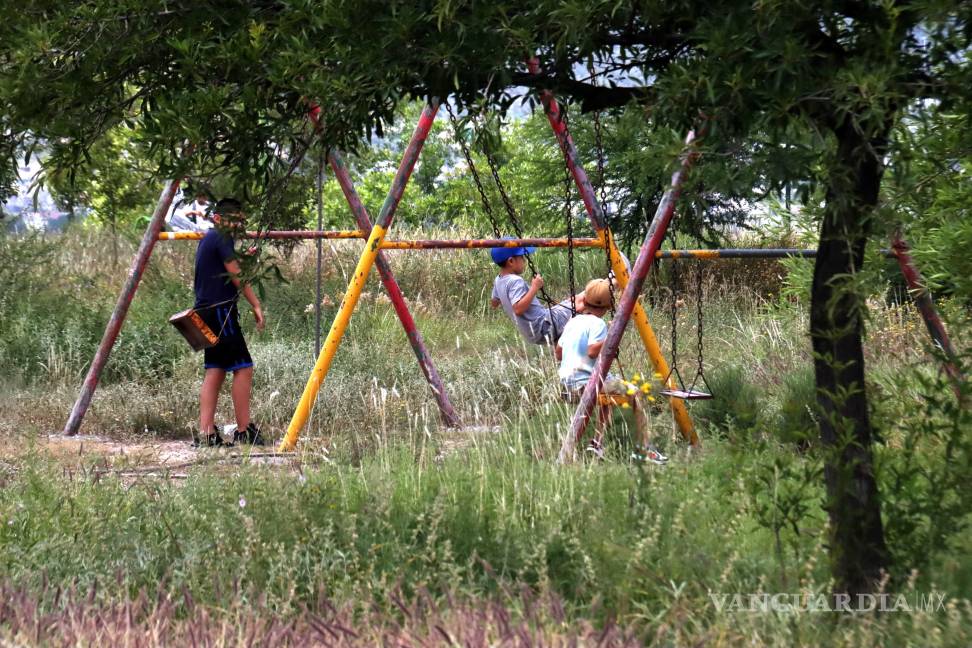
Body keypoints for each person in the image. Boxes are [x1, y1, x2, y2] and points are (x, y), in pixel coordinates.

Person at [556, 278, 668, 464]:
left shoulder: (573, 322)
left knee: (609, 384)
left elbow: (558, 354)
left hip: (568, 384)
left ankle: (597, 442)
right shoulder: (598, 324)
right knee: (636, 393)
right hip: (586, 385)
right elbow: (593, 351)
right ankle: (645, 448)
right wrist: (610, 342)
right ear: (609, 306)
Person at [192, 198, 266, 447]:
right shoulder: (221, 238)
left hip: (205, 312)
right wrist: (256, 304)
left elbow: (225, 267)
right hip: (221, 312)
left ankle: (207, 434)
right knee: (243, 367)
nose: (237, 226)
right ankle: (244, 430)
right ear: (218, 219)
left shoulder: (210, 238)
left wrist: (242, 258)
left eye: (240, 221)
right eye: (233, 220)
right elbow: (236, 275)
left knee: (215, 369)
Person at [490, 242, 586, 345]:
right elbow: (518, 309)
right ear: (511, 261)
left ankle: (563, 345)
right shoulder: (515, 281)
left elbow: (494, 303)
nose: (524, 260)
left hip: (533, 333)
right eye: (521, 257)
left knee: (571, 300)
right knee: (581, 300)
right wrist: (534, 287)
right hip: (544, 326)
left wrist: (506, 297)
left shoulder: (499, 280)